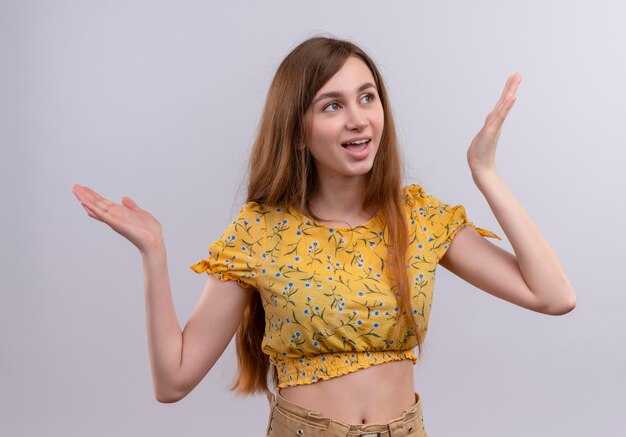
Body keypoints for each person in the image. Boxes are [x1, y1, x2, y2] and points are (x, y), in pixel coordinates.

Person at [72, 36, 576, 437]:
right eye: (331, 105)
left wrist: (484, 170)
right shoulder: (260, 233)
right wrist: (153, 252)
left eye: (367, 97)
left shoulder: (417, 218)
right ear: (298, 128)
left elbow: (554, 296)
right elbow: (173, 380)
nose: (358, 119)